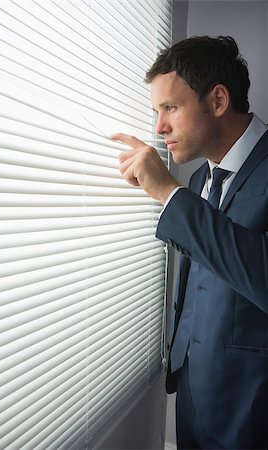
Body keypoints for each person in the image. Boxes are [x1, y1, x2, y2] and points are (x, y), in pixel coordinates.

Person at [111, 36, 268, 450]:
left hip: (252, 406)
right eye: (155, 112)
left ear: (218, 101)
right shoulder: (200, 179)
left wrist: (168, 194)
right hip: (192, 395)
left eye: (170, 109)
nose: (159, 129)